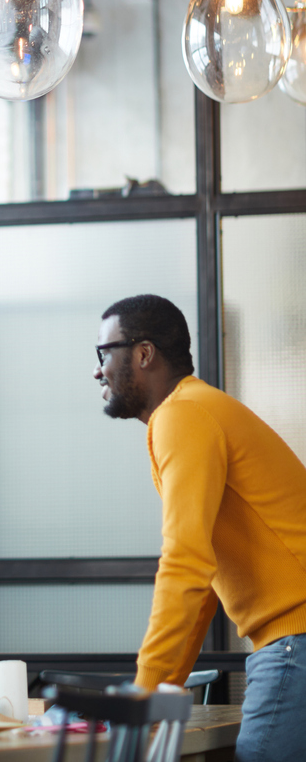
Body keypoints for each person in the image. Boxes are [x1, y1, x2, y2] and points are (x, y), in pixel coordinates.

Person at [95, 293, 306, 762]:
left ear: (144, 353)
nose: (97, 371)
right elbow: (204, 579)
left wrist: (145, 692)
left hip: (297, 638)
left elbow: (184, 562)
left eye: (104, 353)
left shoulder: (182, 414)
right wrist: (159, 692)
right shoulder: (194, 410)